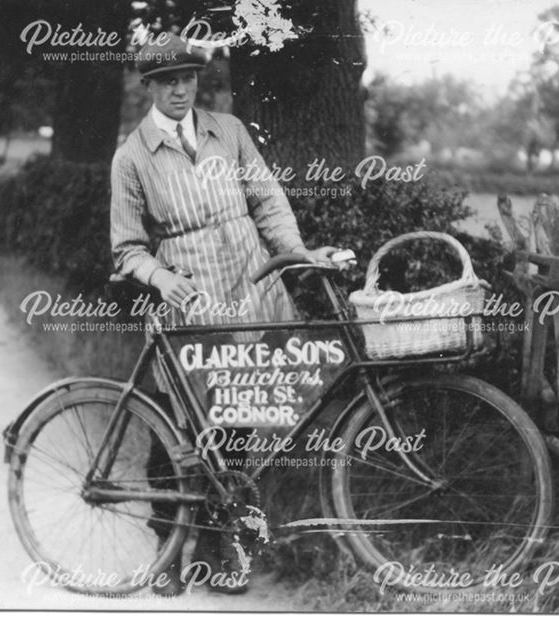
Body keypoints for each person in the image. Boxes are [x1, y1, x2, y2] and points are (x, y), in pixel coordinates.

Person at [110, 36, 335, 596]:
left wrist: (296, 252)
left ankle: (217, 546)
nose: (181, 88)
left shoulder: (228, 131)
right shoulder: (132, 156)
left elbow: (267, 200)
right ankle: (166, 549)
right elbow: (127, 248)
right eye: (167, 81)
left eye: (188, 77)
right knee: (176, 432)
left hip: (249, 289)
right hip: (189, 303)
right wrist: (161, 278)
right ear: (150, 87)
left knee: (235, 423)